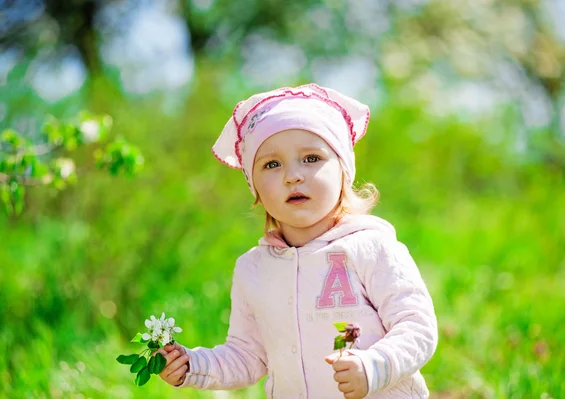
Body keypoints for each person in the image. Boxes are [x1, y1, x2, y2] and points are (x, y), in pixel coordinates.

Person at [155, 84, 438, 398]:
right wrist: (191, 365)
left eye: (311, 158)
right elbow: (248, 356)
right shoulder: (254, 268)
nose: (292, 175)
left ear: (343, 171)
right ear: (255, 189)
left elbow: (417, 326)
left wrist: (375, 366)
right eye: (271, 165)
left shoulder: (371, 248)